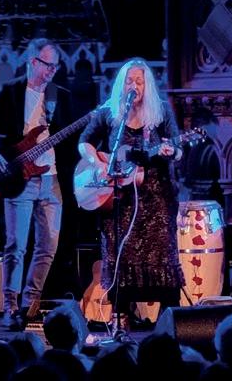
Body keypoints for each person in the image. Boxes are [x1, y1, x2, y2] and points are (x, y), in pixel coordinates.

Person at [78, 58, 184, 326]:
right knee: (120, 252)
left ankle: (168, 321)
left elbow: (179, 149)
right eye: (129, 81)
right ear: (121, 85)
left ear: (147, 85)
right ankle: (122, 317)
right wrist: (98, 165)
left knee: (161, 252)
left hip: (157, 198)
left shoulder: (161, 111)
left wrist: (172, 151)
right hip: (119, 199)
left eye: (139, 81)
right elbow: (84, 143)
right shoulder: (109, 112)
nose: (134, 86)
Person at [0, 38, 69, 330]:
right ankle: (10, 306)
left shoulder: (58, 95)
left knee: (48, 245)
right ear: (33, 62)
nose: (52, 71)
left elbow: (71, 136)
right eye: (48, 65)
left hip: (51, 179)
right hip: (19, 178)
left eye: (56, 66)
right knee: (16, 245)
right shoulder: (11, 92)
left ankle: (31, 304)